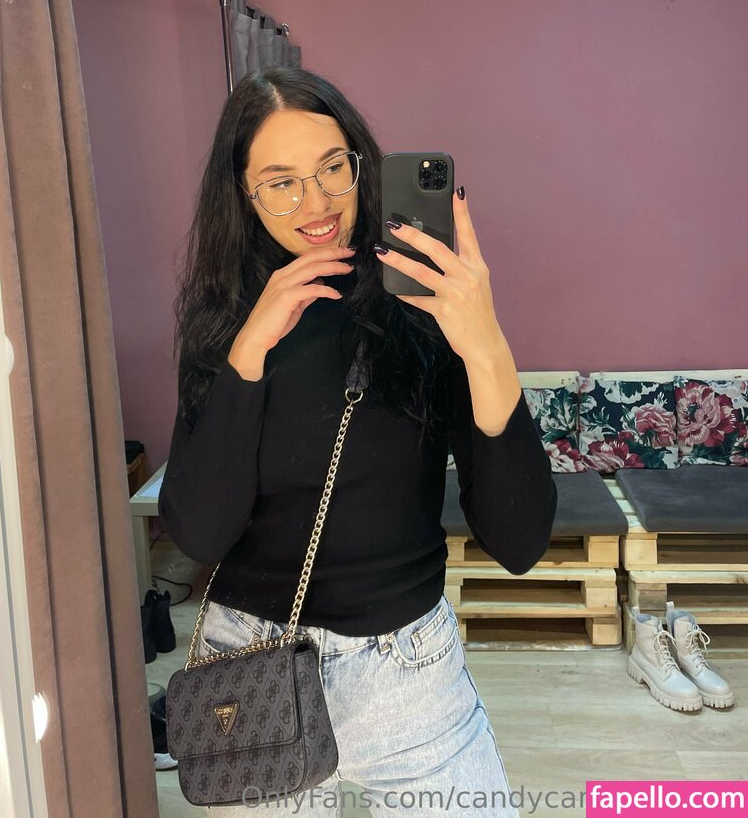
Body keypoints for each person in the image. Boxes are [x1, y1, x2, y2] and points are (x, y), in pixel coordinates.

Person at [158, 66, 557, 816]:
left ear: (359, 163)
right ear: (242, 195)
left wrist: (485, 345)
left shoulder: (421, 302)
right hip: (251, 669)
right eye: (281, 183)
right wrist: (248, 355)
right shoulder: (225, 317)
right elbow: (200, 532)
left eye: (332, 168)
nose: (316, 203)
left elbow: (520, 540)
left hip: (407, 674)